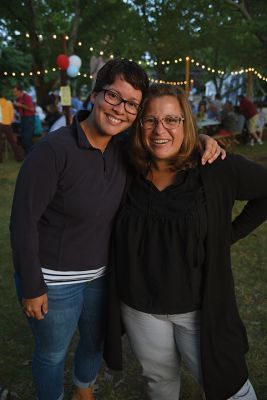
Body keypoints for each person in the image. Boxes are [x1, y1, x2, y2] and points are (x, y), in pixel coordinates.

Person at [10, 59, 224, 400]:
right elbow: (22, 223)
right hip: (53, 279)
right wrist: (33, 285)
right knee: (52, 353)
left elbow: (167, 140)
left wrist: (201, 140)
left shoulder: (125, 150)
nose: (120, 109)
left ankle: (84, 390)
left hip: (101, 276)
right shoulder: (52, 152)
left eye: (131, 104)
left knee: (95, 341)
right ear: (94, 95)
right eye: (113, 96)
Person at [105, 84, 267, 400]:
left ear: (186, 123)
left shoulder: (215, 168)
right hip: (141, 308)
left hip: (199, 310)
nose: (159, 130)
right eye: (150, 120)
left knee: (231, 390)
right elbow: (94, 122)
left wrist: (228, 234)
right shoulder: (126, 165)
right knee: (159, 382)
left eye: (171, 120)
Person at [0, 91, 24, 162]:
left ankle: (0, 159)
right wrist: (9, 121)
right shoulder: (9, 103)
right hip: (7, 124)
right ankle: (19, 157)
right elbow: (12, 115)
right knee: (12, 141)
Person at [12, 84, 35, 154]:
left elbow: (31, 109)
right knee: (23, 137)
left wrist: (20, 105)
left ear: (20, 91)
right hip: (23, 119)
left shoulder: (27, 97)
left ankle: (31, 154)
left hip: (29, 119)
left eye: (15, 92)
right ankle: (28, 154)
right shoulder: (18, 99)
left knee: (27, 138)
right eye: (13, 92)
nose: (14, 93)